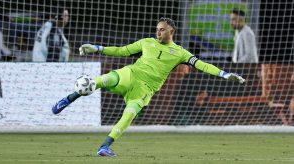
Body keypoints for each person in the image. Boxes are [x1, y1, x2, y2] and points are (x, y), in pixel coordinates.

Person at [52, 18, 245, 157]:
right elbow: (122, 51)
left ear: (171, 31)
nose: (158, 32)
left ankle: (104, 146)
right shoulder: (146, 42)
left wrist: (224, 74)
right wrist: (97, 48)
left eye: (162, 29)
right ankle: (68, 99)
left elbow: (202, 65)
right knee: (99, 81)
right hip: (131, 74)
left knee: (128, 116)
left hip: (146, 89)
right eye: (157, 29)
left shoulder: (180, 53)